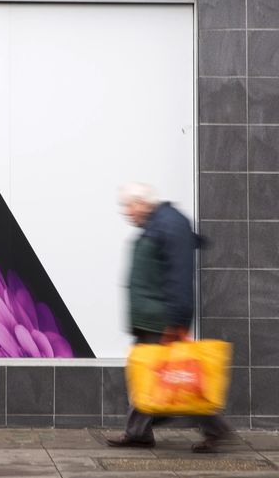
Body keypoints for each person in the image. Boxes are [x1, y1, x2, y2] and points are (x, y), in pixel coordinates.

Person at [106, 182, 230, 453]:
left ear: (141, 203)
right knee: (154, 373)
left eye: (128, 206)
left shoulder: (169, 224)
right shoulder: (157, 223)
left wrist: (176, 321)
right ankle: (139, 431)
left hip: (161, 320)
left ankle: (213, 428)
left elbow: (179, 276)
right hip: (152, 318)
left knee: (174, 375)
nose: (127, 213)